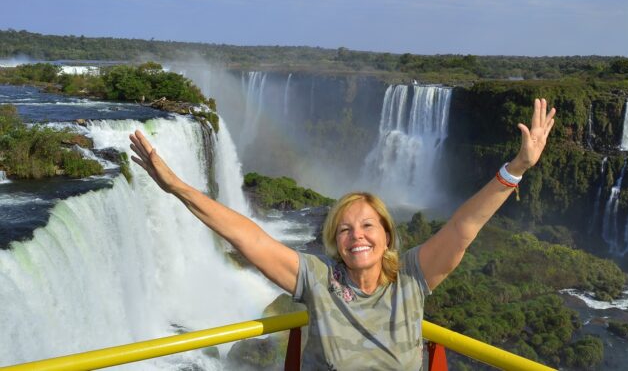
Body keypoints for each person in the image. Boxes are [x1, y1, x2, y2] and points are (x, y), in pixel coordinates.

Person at [129, 97, 555, 370]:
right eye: (345, 229)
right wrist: (178, 188)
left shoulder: (413, 276)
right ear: (336, 242)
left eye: (368, 225)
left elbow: (465, 226)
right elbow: (249, 238)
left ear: (387, 234)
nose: (358, 236)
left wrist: (515, 169)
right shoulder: (318, 279)